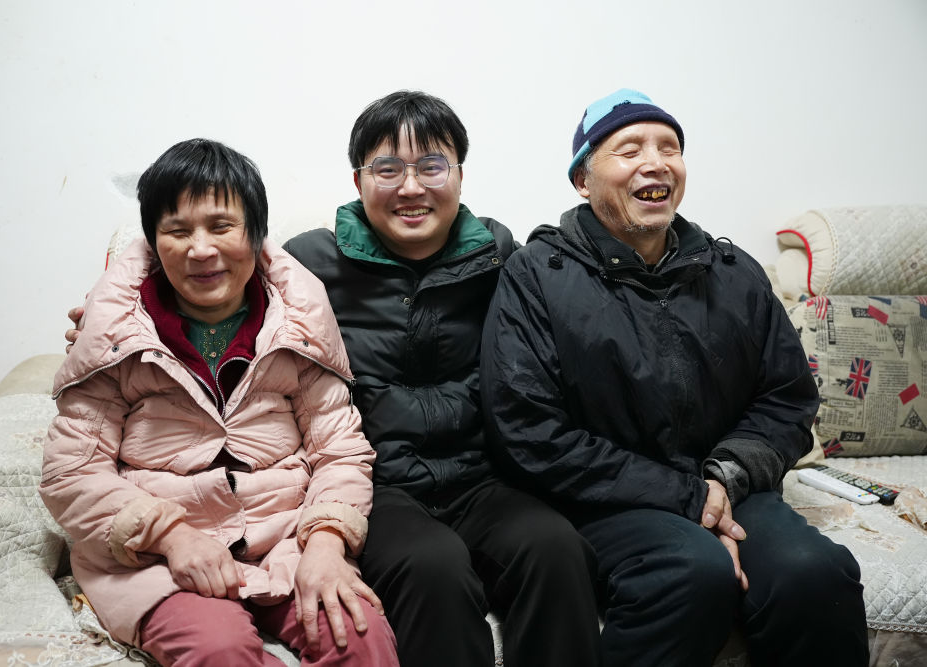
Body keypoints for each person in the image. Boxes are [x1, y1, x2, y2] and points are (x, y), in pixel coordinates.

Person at [479, 89, 869, 666]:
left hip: (728, 489)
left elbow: (786, 399)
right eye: (629, 149)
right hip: (601, 502)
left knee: (815, 573)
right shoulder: (536, 275)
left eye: (669, 148)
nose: (656, 162)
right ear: (582, 180)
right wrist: (685, 497)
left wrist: (723, 479)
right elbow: (527, 428)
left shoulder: (734, 273)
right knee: (691, 572)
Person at [42, 138, 399, 667]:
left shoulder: (299, 326)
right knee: (219, 649)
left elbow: (340, 451)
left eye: (221, 226)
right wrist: (171, 535)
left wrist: (326, 542)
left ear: (255, 235)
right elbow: (71, 472)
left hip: (286, 541)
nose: (201, 249)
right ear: (153, 242)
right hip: (156, 558)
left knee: (359, 636)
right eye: (177, 231)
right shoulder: (116, 336)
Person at [281, 91, 600, 667]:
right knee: (434, 568)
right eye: (387, 169)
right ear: (358, 182)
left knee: (556, 549)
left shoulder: (498, 252)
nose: (411, 187)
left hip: (482, 479)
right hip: (376, 488)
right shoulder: (307, 263)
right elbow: (214, 284)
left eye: (431, 166)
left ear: (458, 176)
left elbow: (578, 307)